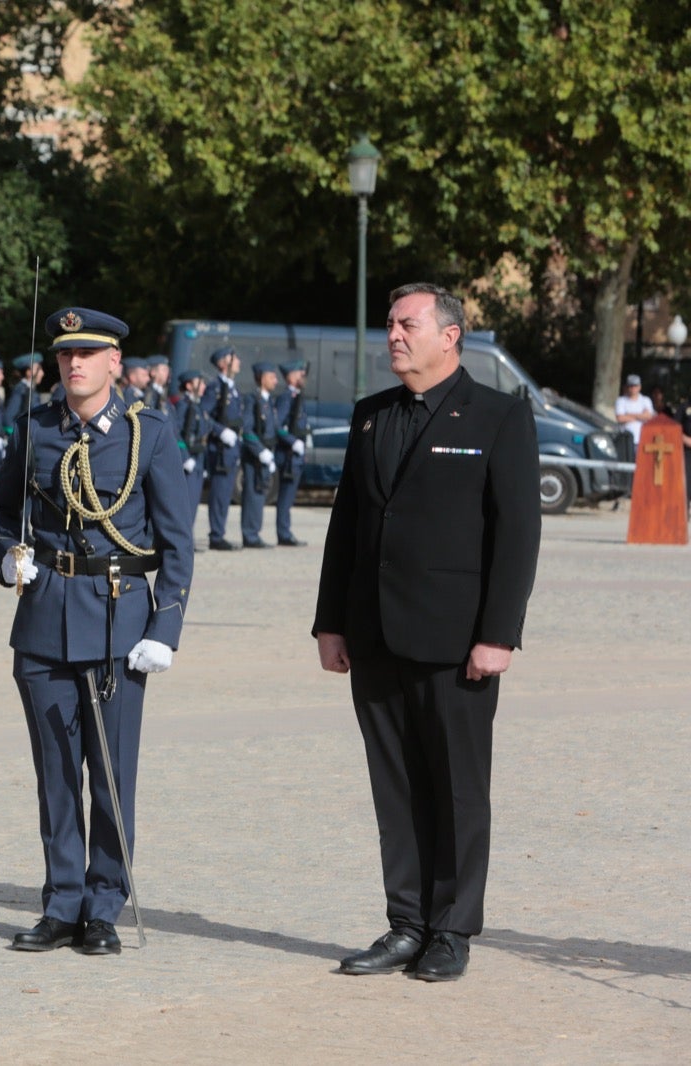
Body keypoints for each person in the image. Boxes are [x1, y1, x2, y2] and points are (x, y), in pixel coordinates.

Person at [314, 283, 540, 983]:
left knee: (457, 788)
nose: (393, 336)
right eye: (389, 325)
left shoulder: (499, 416)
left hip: (457, 642)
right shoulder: (371, 416)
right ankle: (405, 922)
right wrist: (330, 621)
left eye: (407, 324)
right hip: (374, 633)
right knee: (396, 787)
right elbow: (347, 526)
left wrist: (498, 633)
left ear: (451, 335)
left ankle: (451, 928)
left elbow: (517, 535)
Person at [0, 306, 193, 956]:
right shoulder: (34, 429)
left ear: (114, 364)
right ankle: (62, 902)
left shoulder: (147, 434)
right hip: (45, 618)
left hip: (117, 622)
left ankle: (103, 904)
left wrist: (166, 625)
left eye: (88, 353)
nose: (74, 363)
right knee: (54, 776)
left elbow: (180, 543)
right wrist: (7, 555)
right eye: (65, 353)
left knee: (109, 773)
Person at [201, 345, 244, 551]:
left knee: (226, 493)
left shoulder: (232, 388)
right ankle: (216, 535)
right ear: (222, 363)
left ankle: (220, 532)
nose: (237, 361)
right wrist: (220, 432)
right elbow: (204, 414)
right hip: (220, 449)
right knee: (219, 493)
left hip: (231, 448)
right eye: (233, 357)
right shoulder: (215, 387)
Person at [238, 362, 281, 548]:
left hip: (266, 452)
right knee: (253, 493)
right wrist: (260, 450)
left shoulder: (268, 401)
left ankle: (254, 532)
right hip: (255, 454)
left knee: (260, 492)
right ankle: (250, 534)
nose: (276, 381)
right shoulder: (252, 400)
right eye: (272, 376)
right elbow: (246, 429)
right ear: (263, 377)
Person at [273, 358, 311, 546]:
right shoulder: (286, 398)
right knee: (285, 496)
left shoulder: (297, 397)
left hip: (295, 455)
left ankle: (285, 530)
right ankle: (283, 532)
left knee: (289, 495)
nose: (303, 376)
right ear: (290, 376)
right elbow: (277, 426)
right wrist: (292, 441)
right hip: (287, 455)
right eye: (299, 373)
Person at [174, 369, 212, 534]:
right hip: (189, 459)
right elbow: (177, 434)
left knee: (193, 503)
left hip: (199, 458)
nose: (203, 386)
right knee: (186, 504)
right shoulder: (183, 406)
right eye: (199, 382)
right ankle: (183, 538)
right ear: (189, 386)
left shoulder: (196, 406)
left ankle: (187, 536)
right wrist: (184, 457)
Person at [614, 373, 654, 448]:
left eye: (635, 386)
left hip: (642, 439)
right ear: (627, 387)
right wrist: (641, 416)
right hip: (625, 439)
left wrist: (628, 415)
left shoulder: (645, 400)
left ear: (639, 387)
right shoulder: (621, 400)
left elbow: (649, 417)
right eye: (631, 386)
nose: (633, 388)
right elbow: (620, 418)